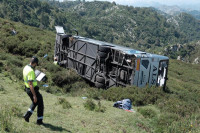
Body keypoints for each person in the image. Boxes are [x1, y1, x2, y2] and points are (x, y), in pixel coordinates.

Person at [23, 56, 44, 125]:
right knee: (40, 103)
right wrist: (34, 95)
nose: (36, 66)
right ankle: (39, 121)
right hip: (32, 90)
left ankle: (27, 115)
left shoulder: (26, 67)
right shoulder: (31, 71)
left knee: (35, 102)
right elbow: (30, 84)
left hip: (27, 88)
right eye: (36, 64)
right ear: (34, 63)